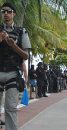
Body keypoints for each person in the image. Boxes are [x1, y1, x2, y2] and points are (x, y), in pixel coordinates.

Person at [0, 2, 31, 130]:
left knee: (11, 108)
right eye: (3, 11)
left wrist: (13, 45)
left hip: (13, 73)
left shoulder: (21, 31)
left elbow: (25, 56)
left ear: (14, 14)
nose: (6, 14)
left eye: (8, 11)